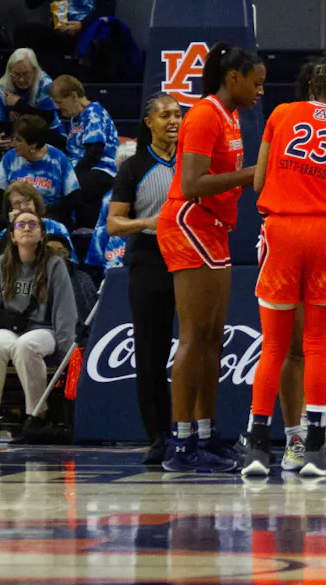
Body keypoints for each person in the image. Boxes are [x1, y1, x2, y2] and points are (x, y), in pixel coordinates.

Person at [239, 54, 326, 479]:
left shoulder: (281, 113)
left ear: (310, 88)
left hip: (281, 232)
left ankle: (258, 446)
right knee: (319, 347)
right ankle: (315, 448)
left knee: (276, 348)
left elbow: (259, 182)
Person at [158, 43, 265, 472]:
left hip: (214, 228)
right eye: (255, 83)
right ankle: (180, 443)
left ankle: (206, 434)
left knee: (212, 337)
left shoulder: (231, 116)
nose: (259, 90)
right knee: (193, 335)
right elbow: (192, 181)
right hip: (189, 221)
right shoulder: (203, 114)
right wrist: (253, 174)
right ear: (232, 77)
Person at [106, 92, 182, 465]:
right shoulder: (133, 167)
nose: (173, 121)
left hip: (190, 258)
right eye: (165, 115)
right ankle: (158, 436)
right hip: (150, 260)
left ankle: (198, 431)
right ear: (148, 122)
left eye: (178, 114)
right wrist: (148, 223)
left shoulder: (192, 163)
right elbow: (113, 223)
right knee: (150, 353)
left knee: (198, 348)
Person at [0, 205, 78, 440]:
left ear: (41, 234)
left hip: (44, 330)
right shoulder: (0, 265)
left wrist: (63, 349)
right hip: (9, 329)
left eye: (33, 224)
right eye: (21, 225)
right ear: (12, 236)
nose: (27, 228)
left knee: (26, 345)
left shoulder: (54, 265)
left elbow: (65, 310)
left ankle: (36, 415)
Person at [49, 75, 119, 229]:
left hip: (102, 170)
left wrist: (70, 176)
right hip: (83, 169)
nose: (57, 108)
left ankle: (61, 222)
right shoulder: (75, 117)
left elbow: (94, 155)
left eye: (59, 102)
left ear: (73, 96)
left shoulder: (94, 113)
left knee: (71, 188)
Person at [0, 115, 83, 228]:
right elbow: (0, 195)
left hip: (50, 218)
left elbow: (73, 199)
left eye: (19, 140)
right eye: (13, 138)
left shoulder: (58, 160)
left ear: (33, 144)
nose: (13, 143)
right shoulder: (9, 158)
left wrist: (40, 212)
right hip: (16, 219)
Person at [0, 50, 60, 150]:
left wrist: (19, 105)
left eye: (26, 74)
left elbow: (46, 119)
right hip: (17, 135)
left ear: (35, 71)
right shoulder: (0, 89)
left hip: (47, 133)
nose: (21, 80)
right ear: (9, 72)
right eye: (16, 74)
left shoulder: (45, 83)